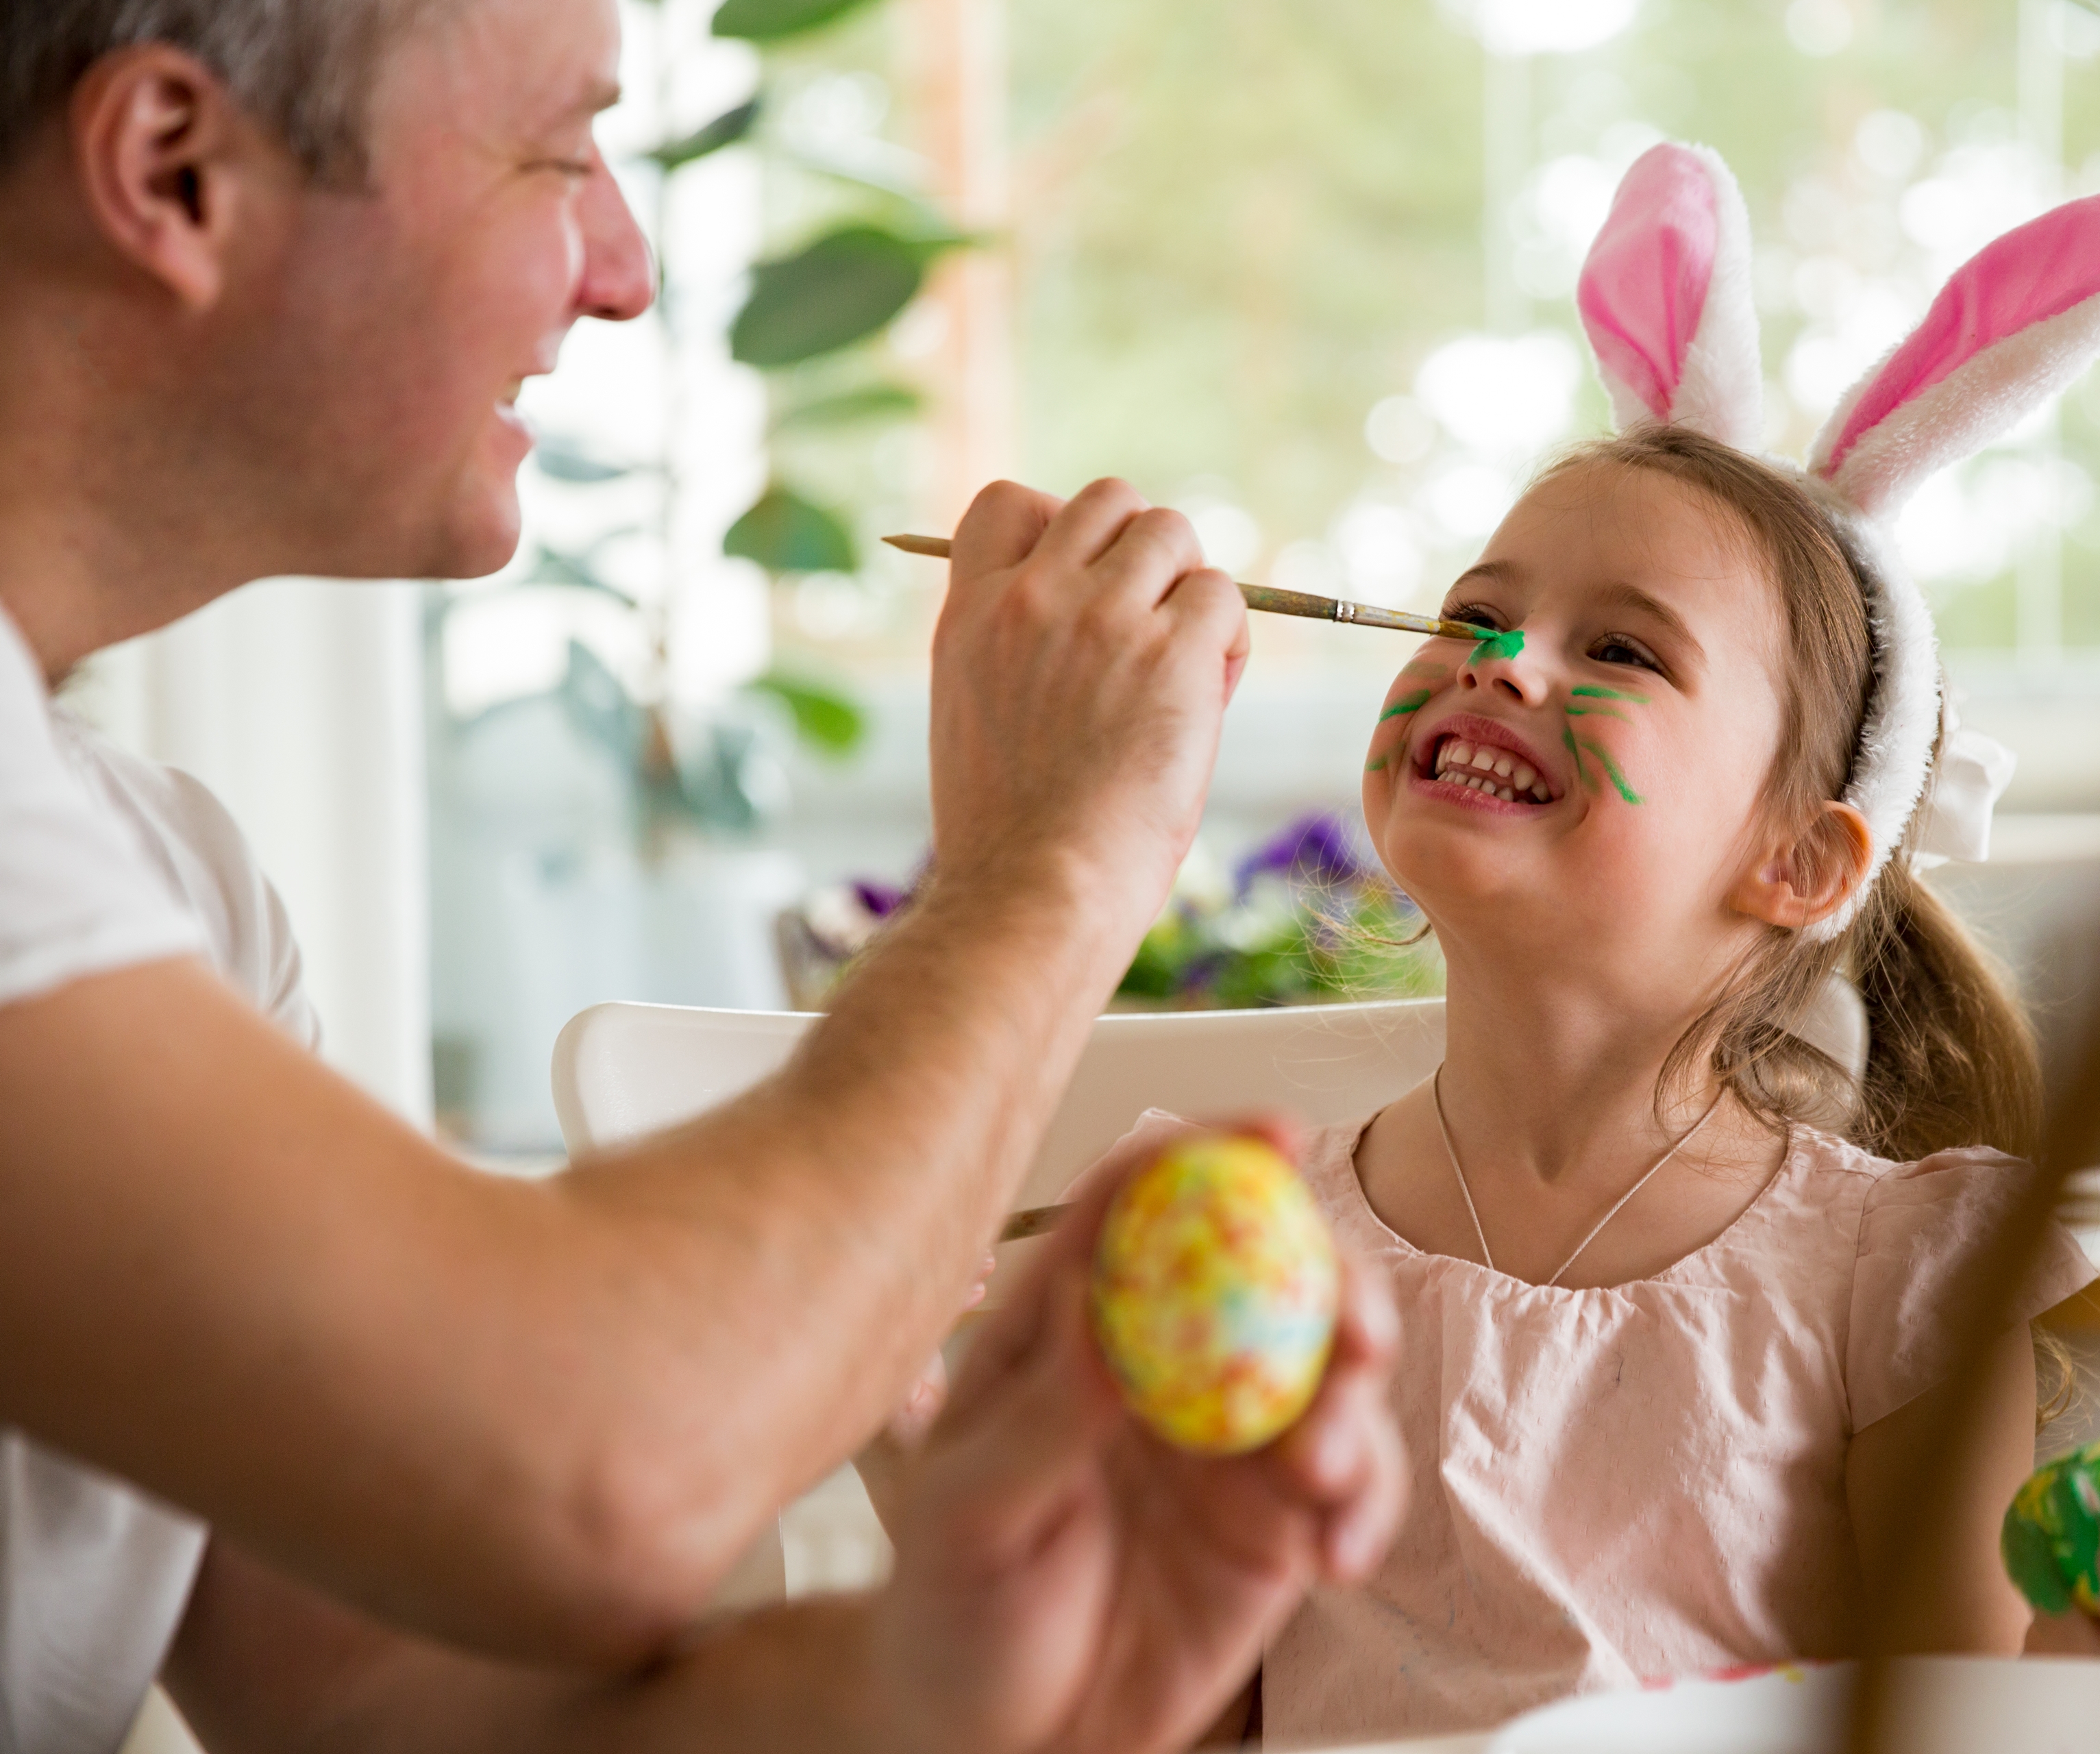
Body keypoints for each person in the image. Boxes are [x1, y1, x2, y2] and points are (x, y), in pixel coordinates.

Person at [0, 2, 1402, 1750]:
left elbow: (367, 1693)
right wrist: (1052, 863)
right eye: (560, 150)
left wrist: (950, 1670)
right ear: (173, 171)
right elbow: (595, 1473)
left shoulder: (167, 881)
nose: (624, 272)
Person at [1090, 148, 2100, 1743]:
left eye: (1621, 647)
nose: (1500, 664)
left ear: (1797, 858)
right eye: (1474, 614)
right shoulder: (1252, 1241)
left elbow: (1953, 1727)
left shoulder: (1891, 1276)